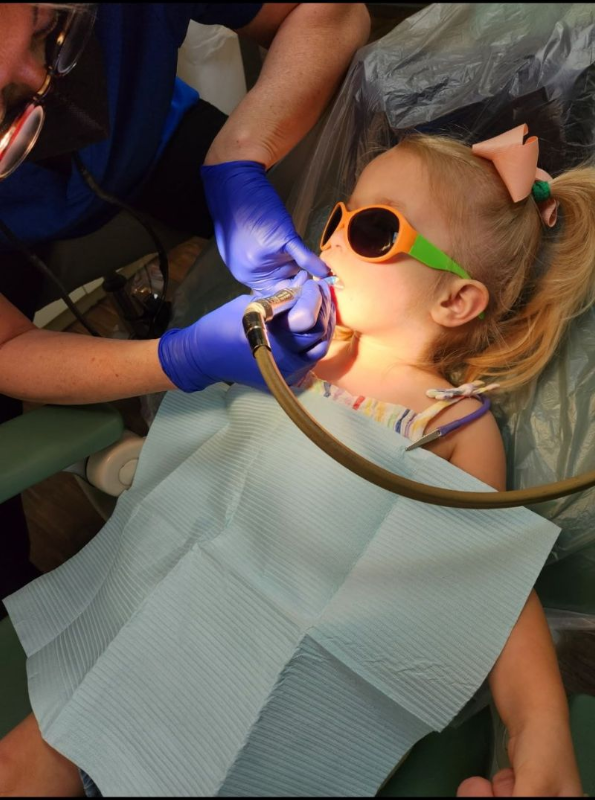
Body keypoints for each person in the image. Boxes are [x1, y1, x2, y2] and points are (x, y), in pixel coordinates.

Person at [0, 123, 589, 797]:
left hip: (258, 679)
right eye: (338, 215)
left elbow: (485, 584)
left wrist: (537, 724)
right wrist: (202, 353)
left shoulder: (444, 422)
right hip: (152, 624)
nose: (331, 239)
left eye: (372, 230)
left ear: (455, 299)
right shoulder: (289, 347)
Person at [0, 2, 370, 609]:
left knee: (315, 207)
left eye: (46, 31)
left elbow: (327, 11)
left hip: (149, 135)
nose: (44, 82)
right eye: (5, 104)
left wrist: (242, 153)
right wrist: (180, 359)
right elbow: (6, 346)